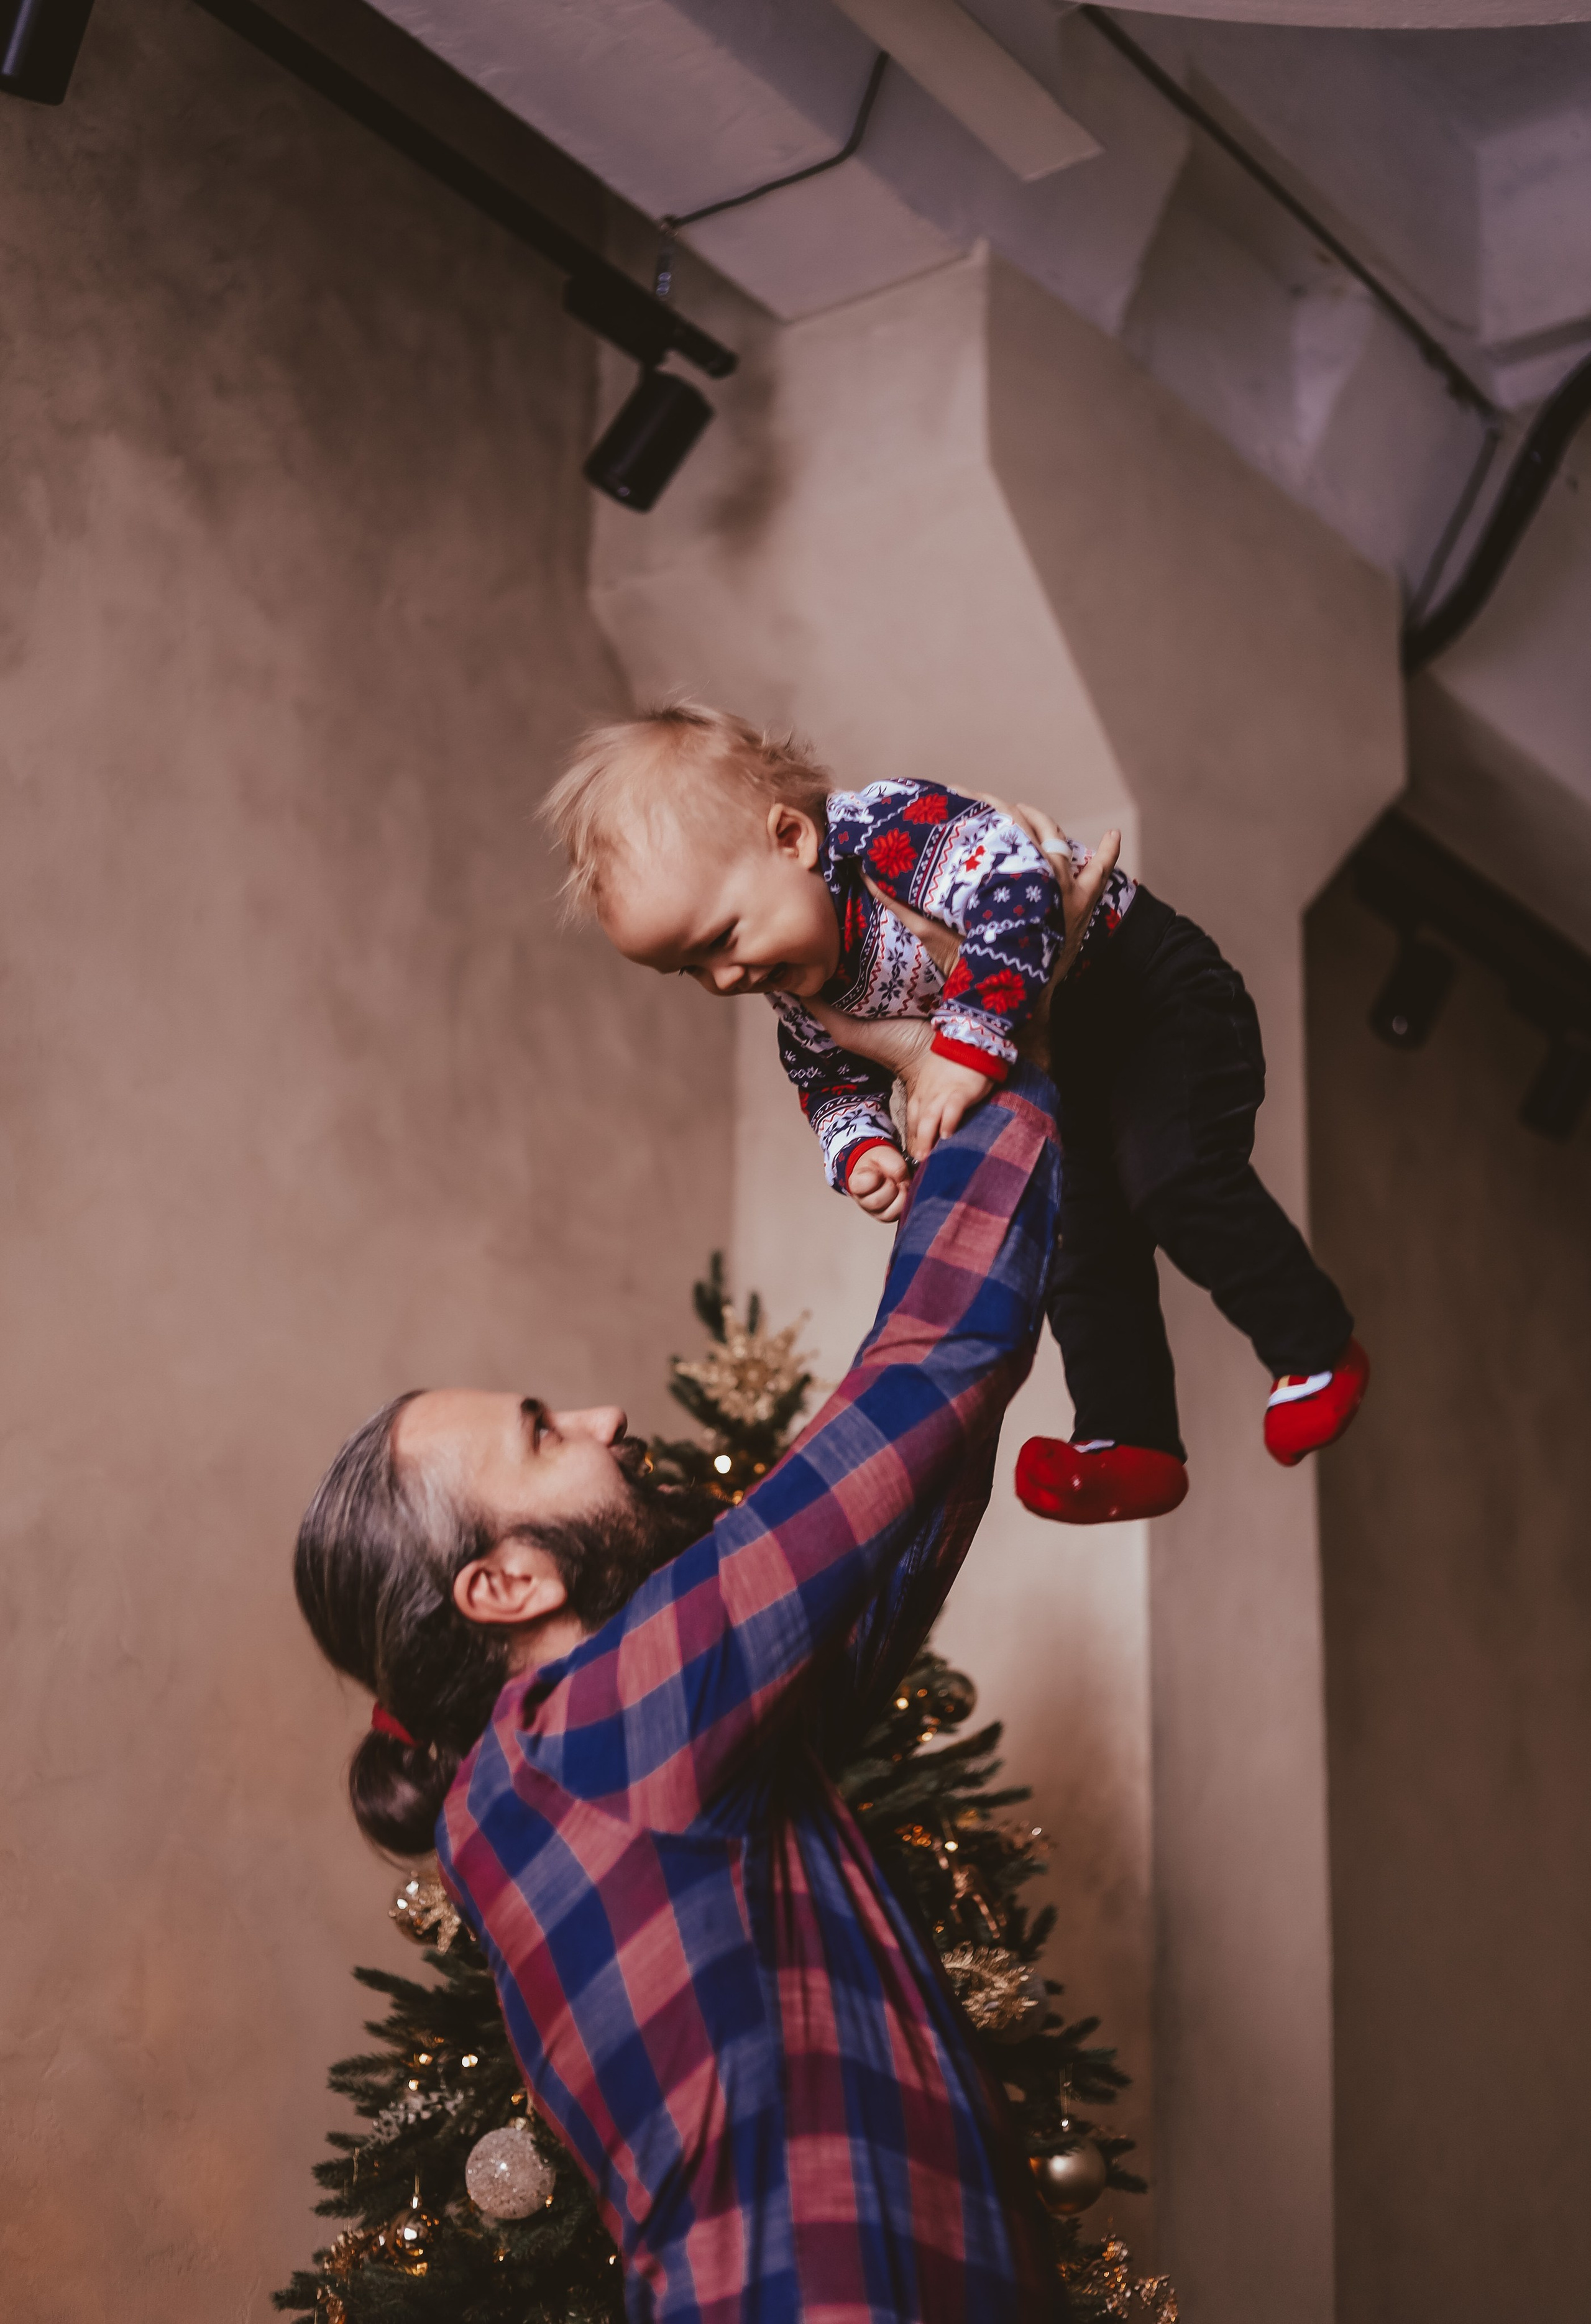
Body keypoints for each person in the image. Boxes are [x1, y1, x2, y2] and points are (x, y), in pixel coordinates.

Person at [296, 1060, 1068, 2323]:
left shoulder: (623, 1769)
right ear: (507, 1583)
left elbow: (912, 1486)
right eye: (544, 1433)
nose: (604, 1417)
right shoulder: (588, 1734)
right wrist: (1004, 1060)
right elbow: (928, 1372)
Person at [541, 703, 1369, 1526]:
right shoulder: (797, 987)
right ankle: (1131, 1442)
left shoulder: (888, 832)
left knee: (1173, 1175)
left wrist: (961, 1045)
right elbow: (826, 1077)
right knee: (1075, 1246)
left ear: (790, 839)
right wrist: (860, 1148)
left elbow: (1020, 893)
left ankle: (1314, 1349)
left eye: (722, 938)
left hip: (1150, 1003)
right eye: (691, 970)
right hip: (1066, 1069)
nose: (726, 979)